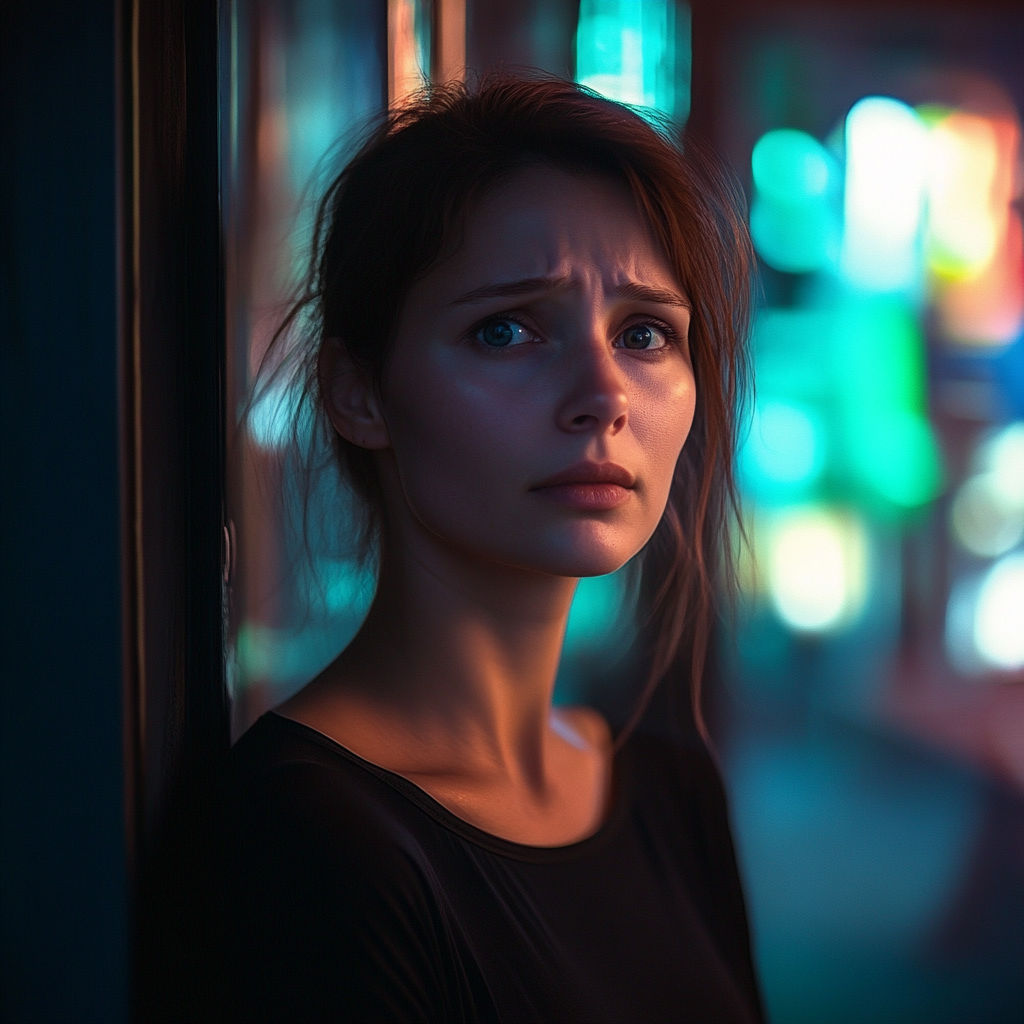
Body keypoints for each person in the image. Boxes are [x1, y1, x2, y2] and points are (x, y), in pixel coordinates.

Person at [214, 75, 762, 1023]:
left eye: (643, 332)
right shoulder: (315, 840)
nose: (603, 395)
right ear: (359, 393)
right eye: (505, 330)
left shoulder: (672, 786)